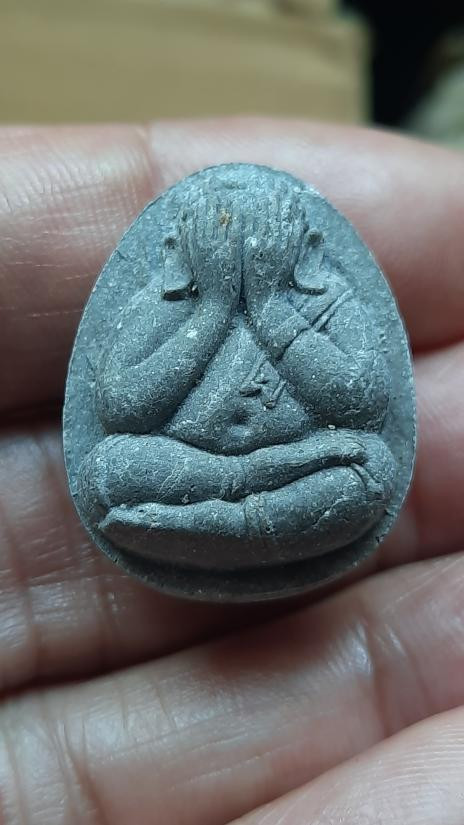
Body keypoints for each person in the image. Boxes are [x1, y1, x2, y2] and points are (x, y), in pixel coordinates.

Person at [0, 119, 463, 823]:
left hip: (273, 477)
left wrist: (272, 305)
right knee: (106, 472)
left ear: (300, 246)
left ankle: (205, 519)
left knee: (371, 469)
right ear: (184, 249)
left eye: (262, 239)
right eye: (219, 240)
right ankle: (235, 503)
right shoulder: (166, 299)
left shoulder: (327, 297)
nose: (242, 254)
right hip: (207, 468)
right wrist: (216, 306)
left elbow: (361, 399)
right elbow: (121, 404)